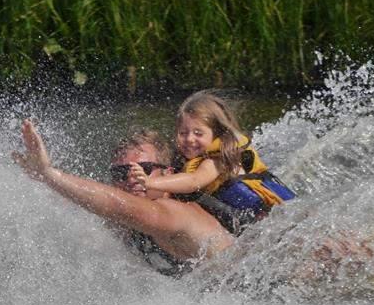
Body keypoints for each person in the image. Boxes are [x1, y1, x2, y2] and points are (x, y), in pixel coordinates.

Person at [12, 119, 234, 277]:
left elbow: (115, 205)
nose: (131, 179)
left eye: (143, 168)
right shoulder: (125, 224)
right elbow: (78, 207)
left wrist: (51, 175)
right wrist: (39, 179)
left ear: (168, 173)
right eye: (120, 173)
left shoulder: (176, 213)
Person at [130, 90, 295, 235]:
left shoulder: (217, 161)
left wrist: (151, 182)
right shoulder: (189, 160)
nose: (189, 139)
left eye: (198, 133)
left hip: (266, 222)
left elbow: (194, 181)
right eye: (183, 132)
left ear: (216, 134)